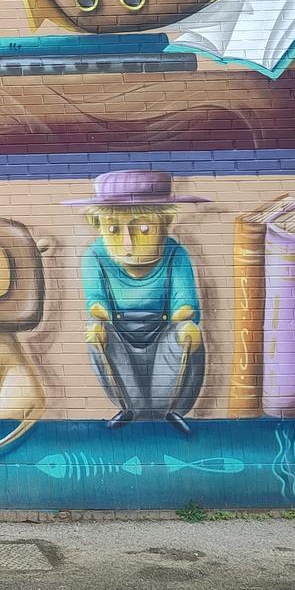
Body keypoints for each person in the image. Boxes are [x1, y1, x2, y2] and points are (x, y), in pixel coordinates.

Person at [66, 170, 206, 434]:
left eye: (143, 229)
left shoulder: (175, 253)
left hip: (165, 334)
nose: (127, 243)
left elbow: (186, 306)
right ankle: (129, 407)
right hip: (118, 336)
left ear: (165, 223)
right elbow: (96, 303)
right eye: (113, 229)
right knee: (96, 332)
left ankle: (171, 410)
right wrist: (99, 317)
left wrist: (184, 317)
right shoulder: (95, 255)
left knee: (188, 331)